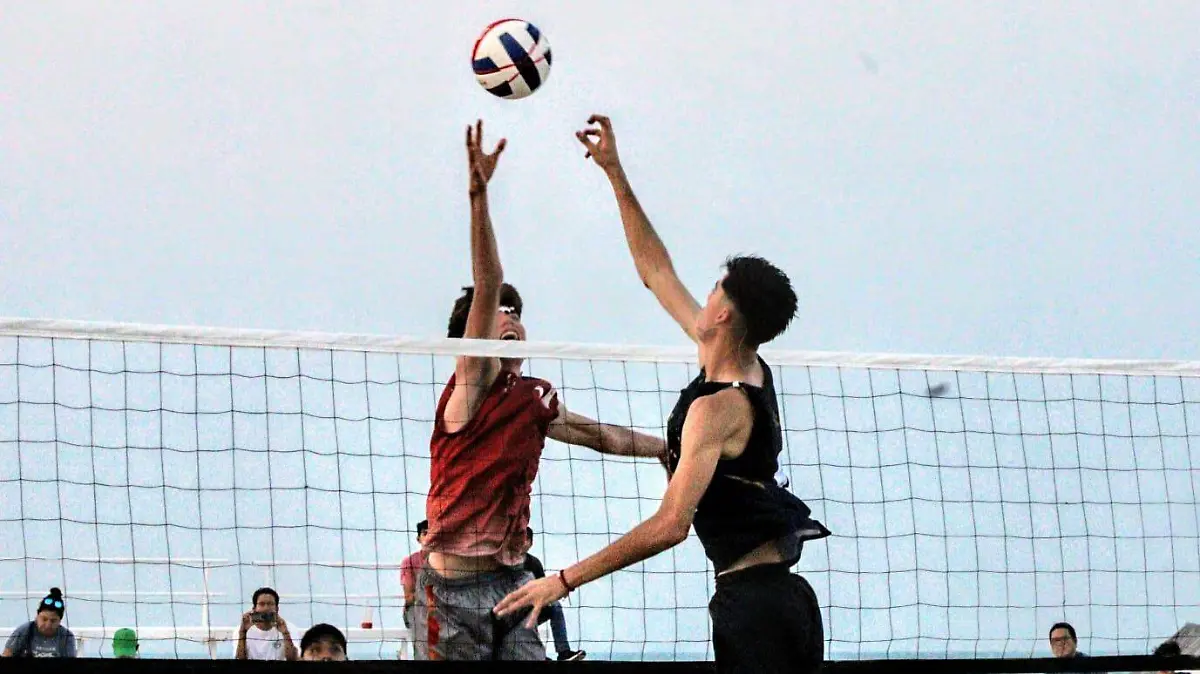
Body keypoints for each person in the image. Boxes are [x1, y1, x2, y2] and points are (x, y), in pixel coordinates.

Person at [494, 115, 831, 674]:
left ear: (723, 313)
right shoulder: (734, 357)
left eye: (713, 288)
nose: (701, 293)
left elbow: (671, 524)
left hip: (758, 608)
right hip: (772, 599)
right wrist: (614, 173)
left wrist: (562, 581)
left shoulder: (718, 407)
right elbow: (654, 269)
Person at [412, 120, 667, 662]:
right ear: (473, 337)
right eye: (502, 313)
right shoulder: (471, 384)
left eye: (518, 313)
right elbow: (488, 279)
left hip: (513, 582)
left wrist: (665, 447)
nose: (512, 319)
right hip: (450, 595)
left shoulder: (533, 396)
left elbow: (600, 435)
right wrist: (478, 198)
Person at [523, 527, 585, 661]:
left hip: (530, 611)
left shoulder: (534, 563)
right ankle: (537, 657)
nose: (522, 542)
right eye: (519, 538)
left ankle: (564, 653)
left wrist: (558, 592)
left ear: (530, 543)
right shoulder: (503, 562)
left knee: (555, 606)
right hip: (508, 614)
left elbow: (544, 591)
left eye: (526, 539)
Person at [1, 587, 77, 658]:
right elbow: (7, 655)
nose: (48, 625)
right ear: (37, 616)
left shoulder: (67, 637)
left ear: (60, 621)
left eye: (53, 621)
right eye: (44, 619)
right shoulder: (25, 631)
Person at [235, 587, 298, 661]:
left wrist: (285, 633)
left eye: (270, 604)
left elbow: (293, 659)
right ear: (254, 609)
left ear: (277, 609)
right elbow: (239, 660)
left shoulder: (288, 627)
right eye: (261, 604)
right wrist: (243, 632)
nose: (266, 608)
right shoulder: (242, 629)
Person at [401, 520, 429, 629]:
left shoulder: (446, 561)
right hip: (414, 610)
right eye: (425, 533)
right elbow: (409, 597)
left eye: (433, 534)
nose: (429, 537)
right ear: (418, 539)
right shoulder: (409, 562)